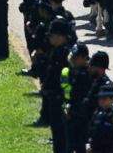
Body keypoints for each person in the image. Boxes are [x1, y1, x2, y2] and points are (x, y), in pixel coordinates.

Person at [42, 19, 71, 153]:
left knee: (60, 135)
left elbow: (55, 75)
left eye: (52, 35)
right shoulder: (60, 51)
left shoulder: (62, 53)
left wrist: (48, 87)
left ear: (60, 36)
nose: (50, 38)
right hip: (57, 96)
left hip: (58, 97)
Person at [62, 43, 92, 152]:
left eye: (76, 57)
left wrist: (71, 109)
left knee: (78, 146)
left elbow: (80, 96)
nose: (73, 59)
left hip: (80, 116)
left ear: (84, 58)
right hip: (74, 113)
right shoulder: (76, 71)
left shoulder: (85, 74)